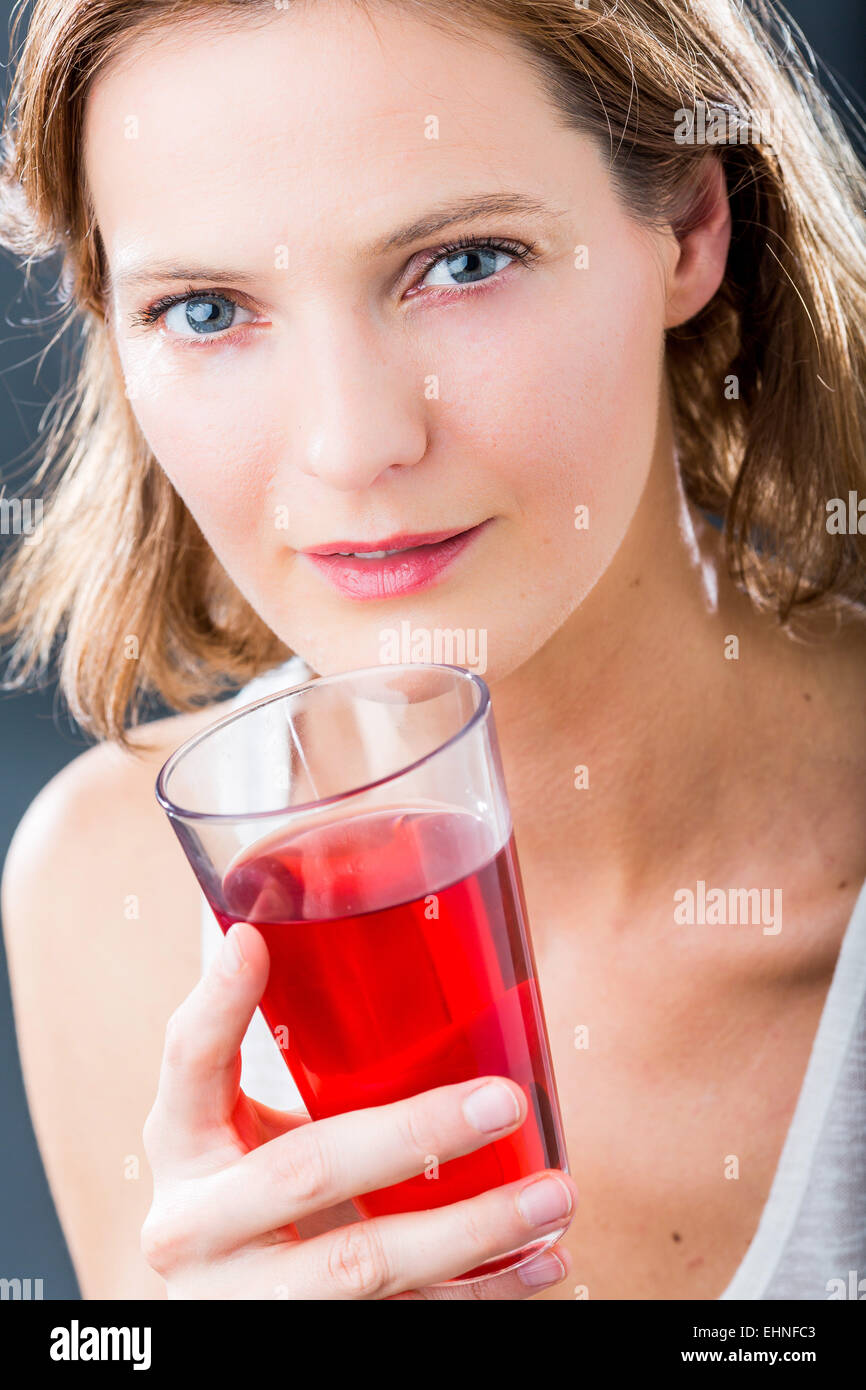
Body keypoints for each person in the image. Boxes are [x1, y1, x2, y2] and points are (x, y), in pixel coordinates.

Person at [1, 0, 864, 1301]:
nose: (352, 446)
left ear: (688, 229)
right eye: (204, 307)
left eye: (462, 263)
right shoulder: (106, 892)